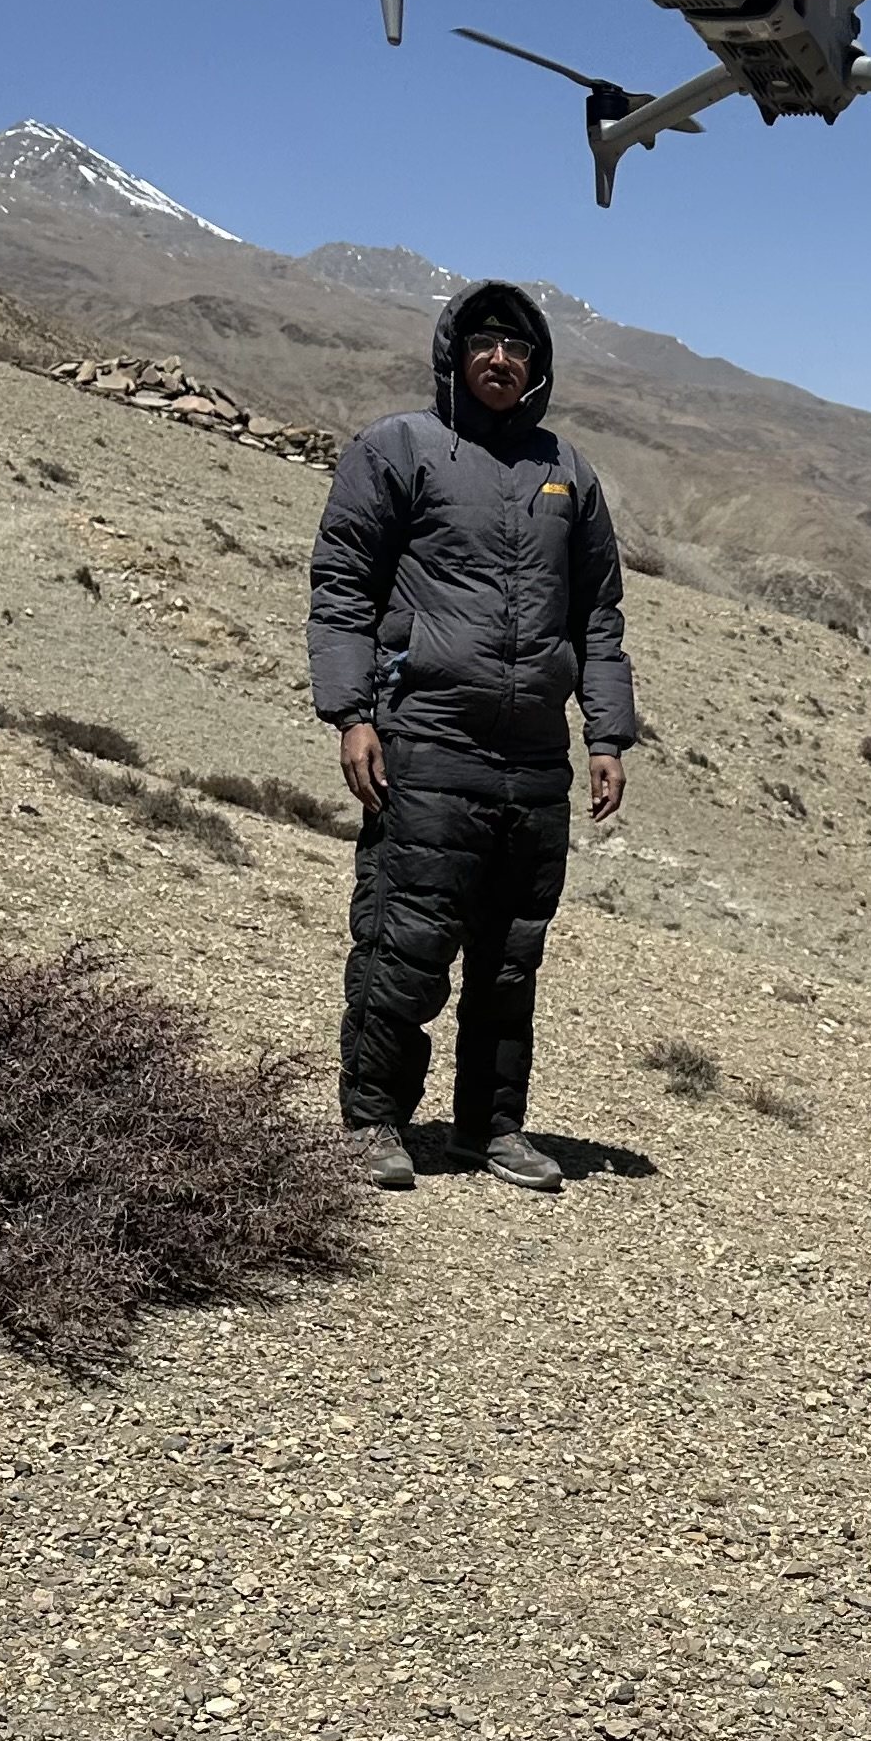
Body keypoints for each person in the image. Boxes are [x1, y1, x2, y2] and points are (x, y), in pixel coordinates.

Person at [307, 280, 634, 1192]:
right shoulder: (398, 448)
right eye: (484, 343)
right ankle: (373, 1120)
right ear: (455, 354)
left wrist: (606, 735)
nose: (500, 358)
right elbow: (342, 586)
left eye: (516, 347)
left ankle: (490, 1128)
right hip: (428, 738)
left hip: (533, 759)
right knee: (406, 942)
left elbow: (598, 617)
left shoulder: (568, 471)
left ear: (537, 366)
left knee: (511, 959)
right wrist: (352, 714)